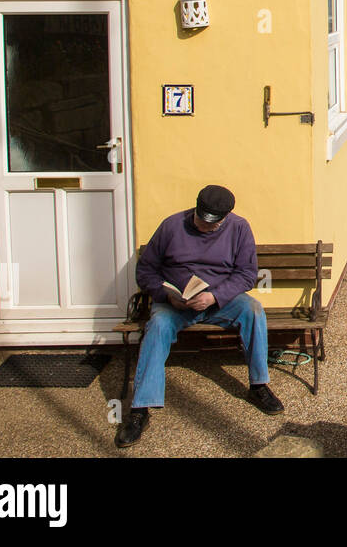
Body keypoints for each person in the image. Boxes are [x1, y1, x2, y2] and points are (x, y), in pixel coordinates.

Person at [115, 184, 283, 449]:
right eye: (200, 221)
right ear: (195, 208)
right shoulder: (171, 226)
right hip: (176, 302)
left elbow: (247, 274)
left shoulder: (239, 228)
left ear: (226, 218)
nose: (204, 227)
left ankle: (258, 385)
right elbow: (146, 270)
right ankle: (141, 409)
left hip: (219, 300)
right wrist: (165, 294)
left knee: (253, 311)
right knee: (157, 325)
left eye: (212, 225)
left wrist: (215, 296)